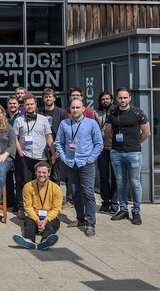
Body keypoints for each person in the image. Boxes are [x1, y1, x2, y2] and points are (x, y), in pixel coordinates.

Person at [55, 99, 103, 237]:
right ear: (70, 109)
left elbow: (98, 143)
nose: (75, 110)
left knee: (88, 193)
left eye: (78, 107)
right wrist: (64, 158)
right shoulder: (64, 123)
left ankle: (91, 223)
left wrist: (91, 158)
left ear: (83, 109)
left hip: (86, 163)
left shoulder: (91, 123)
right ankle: (80, 219)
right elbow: (59, 142)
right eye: (73, 107)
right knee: (75, 193)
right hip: (71, 163)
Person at [105, 87, 151, 225]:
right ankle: (123, 209)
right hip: (117, 153)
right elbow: (108, 132)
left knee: (135, 183)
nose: (122, 100)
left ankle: (136, 211)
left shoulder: (138, 112)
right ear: (117, 99)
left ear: (129, 98)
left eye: (125, 97)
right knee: (121, 183)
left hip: (133, 153)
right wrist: (118, 144)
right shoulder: (112, 112)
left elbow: (146, 132)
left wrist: (135, 143)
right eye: (120, 97)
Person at [13, 161, 62, 251]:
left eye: (44, 172)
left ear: (49, 173)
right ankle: (29, 241)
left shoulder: (56, 188)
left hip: (49, 215)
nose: (41, 175)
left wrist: (46, 220)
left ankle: (45, 241)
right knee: (29, 225)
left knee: (51, 226)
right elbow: (27, 207)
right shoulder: (28, 186)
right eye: (39, 172)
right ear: (35, 172)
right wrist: (37, 220)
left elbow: (56, 209)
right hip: (34, 215)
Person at [38, 88, 68, 188]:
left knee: (55, 176)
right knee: (41, 175)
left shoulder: (62, 112)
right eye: (45, 97)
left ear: (54, 98)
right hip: (41, 148)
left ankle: (56, 201)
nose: (48, 99)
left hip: (56, 147)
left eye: (50, 96)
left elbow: (65, 131)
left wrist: (60, 149)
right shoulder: (39, 112)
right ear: (43, 99)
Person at [94, 91, 118, 214]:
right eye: (103, 99)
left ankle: (114, 203)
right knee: (103, 178)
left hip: (115, 148)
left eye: (107, 99)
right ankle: (105, 203)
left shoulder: (117, 112)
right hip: (101, 149)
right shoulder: (96, 113)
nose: (105, 101)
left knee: (115, 178)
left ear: (112, 100)